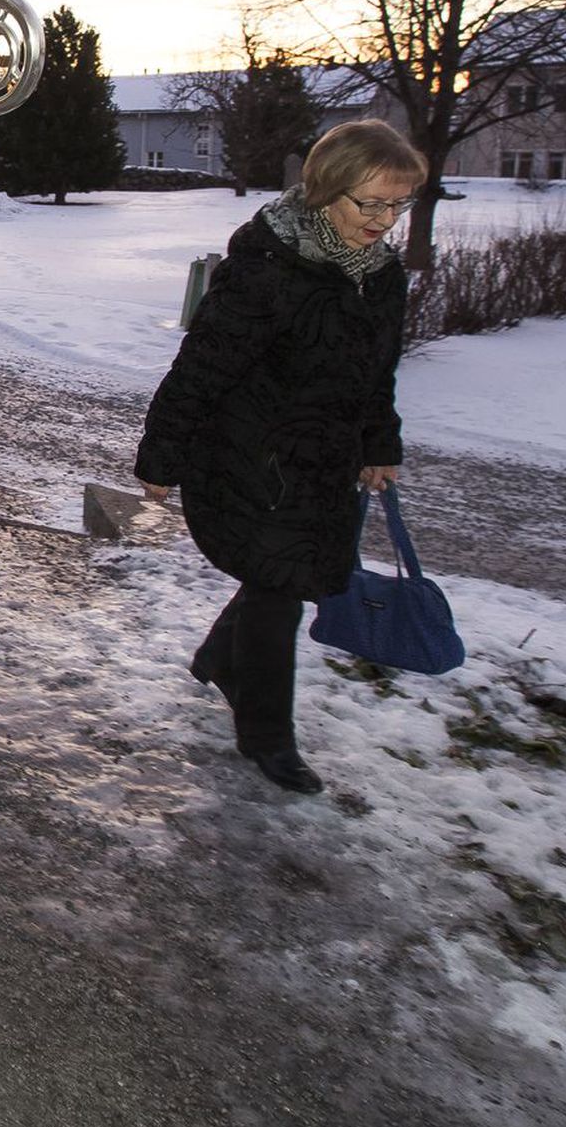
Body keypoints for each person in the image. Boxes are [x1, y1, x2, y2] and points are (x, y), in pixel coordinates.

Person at [131, 120, 422, 795]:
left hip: (326, 461)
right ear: (325, 190)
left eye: (397, 204)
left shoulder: (381, 276)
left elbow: (379, 372)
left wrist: (380, 443)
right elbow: (202, 364)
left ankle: (220, 659)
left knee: (282, 577)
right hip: (252, 458)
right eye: (369, 203)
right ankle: (268, 734)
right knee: (281, 586)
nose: (384, 220)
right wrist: (161, 455)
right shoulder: (268, 268)